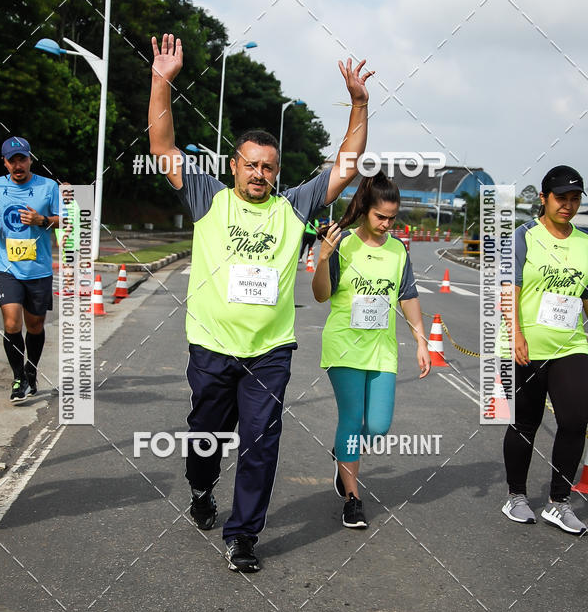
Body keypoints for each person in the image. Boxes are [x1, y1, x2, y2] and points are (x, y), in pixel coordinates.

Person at [148, 32, 373, 571]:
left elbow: (345, 165)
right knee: (206, 437)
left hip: (270, 351)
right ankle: (201, 490)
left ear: (277, 171)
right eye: (251, 165)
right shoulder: (208, 199)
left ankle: (243, 535)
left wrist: (359, 104)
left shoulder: (293, 208)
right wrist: (161, 84)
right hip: (211, 346)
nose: (260, 174)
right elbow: (162, 149)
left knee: (260, 445)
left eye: (269, 167)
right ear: (234, 166)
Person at [312, 171, 431, 528]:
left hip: (381, 349)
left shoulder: (397, 250)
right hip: (344, 346)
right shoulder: (343, 243)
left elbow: (407, 295)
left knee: (377, 426)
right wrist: (323, 257)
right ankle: (353, 498)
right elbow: (320, 295)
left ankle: (342, 451)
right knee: (351, 420)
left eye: (393, 218)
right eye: (381, 216)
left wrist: (421, 341)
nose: (387, 224)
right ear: (366, 209)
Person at [501, 165, 588, 534]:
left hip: (572, 344)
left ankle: (558, 501)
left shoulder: (585, 242)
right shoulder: (523, 238)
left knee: (574, 419)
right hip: (527, 345)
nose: (568, 205)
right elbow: (509, 290)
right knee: (526, 422)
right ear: (543, 198)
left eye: (574, 199)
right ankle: (516, 496)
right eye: (561, 198)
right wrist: (515, 334)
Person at [0, 136, 59, 402]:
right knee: (11, 322)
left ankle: (32, 369)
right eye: (12, 160)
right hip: (7, 267)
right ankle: (18, 378)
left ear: (30, 159)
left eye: (22, 159)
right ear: (5, 163)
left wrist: (43, 220)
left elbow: (67, 220)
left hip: (38, 269)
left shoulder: (48, 186)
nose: (18, 165)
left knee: (35, 325)